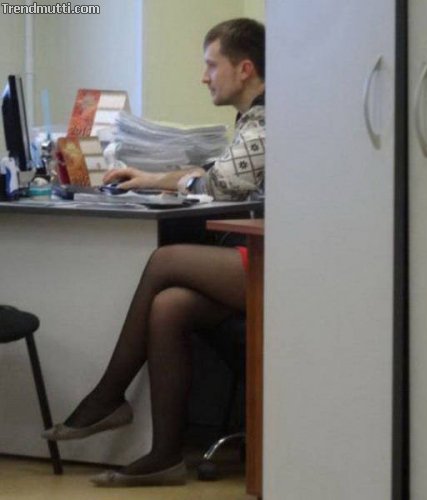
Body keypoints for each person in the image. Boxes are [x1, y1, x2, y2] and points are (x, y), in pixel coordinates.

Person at [42, 18, 265, 487]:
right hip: (263, 258)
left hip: (288, 266)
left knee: (165, 261)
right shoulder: (253, 120)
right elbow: (211, 170)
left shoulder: (269, 119)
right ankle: (164, 456)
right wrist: (150, 178)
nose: (204, 77)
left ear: (245, 69)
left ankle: (107, 396)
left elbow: (220, 181)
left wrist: (175, 178)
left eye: (212, 65)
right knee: (169, 306)